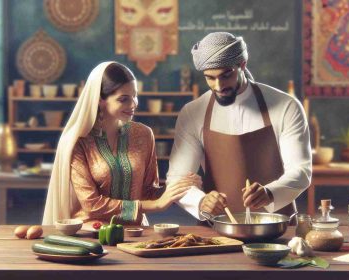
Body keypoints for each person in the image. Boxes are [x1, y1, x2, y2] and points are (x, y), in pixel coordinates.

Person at [167, 32, 312, 223]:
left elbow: (301, 170)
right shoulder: (193, 113)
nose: (218, 86)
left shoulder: (285, 106)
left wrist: (270, 193)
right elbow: (177, 178)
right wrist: (200, 201)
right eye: (210, 78)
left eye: (226, 75)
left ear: (242, 64)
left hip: (276, 227)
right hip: (217, 231)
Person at [42, 61, 200, 225]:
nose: (133, 105)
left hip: (135, 233)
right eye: (123, 99)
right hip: (92, 234)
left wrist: (179, 187)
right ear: (100, 100)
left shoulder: (144, 134)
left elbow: (147, 192)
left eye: (135, 96)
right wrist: (156, 205)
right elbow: (92, 204)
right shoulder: (78, 141)